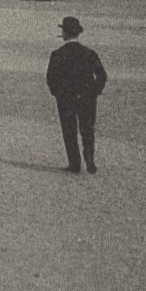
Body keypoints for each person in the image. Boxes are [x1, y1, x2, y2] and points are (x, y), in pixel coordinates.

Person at [46, 16, 108, 174]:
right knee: (87, 128)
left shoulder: (57, 54)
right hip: (87, 96)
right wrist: (94, 91)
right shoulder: (89, 53)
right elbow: (102, 75)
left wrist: (59, 94)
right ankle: (90, 159)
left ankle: (74, 164)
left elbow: (51, 78)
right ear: (78, 33)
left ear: (64, 34)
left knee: (69, 130)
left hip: (66, 98)